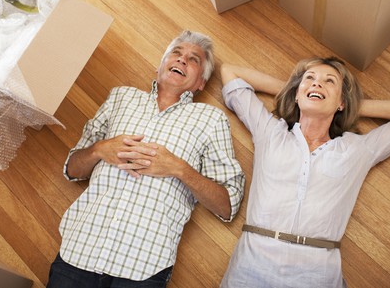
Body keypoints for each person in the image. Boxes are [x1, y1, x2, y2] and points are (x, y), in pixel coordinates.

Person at [47, 30, 245, 288]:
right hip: (79, 252)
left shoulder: (211, 119)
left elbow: (227, 206)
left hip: (143, 267)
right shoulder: (120, 97)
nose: (182, 60)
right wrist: (99, 149)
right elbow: (72, 170)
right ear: (160, 66)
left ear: (201, 84)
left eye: (193, 59)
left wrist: (179, 169)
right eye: (176, 53)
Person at [219, 56, 390, 287]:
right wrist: (301, 93)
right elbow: (230, 72)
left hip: (316, 271)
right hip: (252, 262)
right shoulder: (270, 132)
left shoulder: (357, 149)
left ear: (341, 102)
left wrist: (346, 105)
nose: (317, 83)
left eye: (329, 81)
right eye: (309, 78)